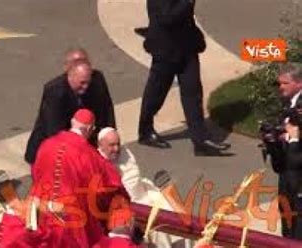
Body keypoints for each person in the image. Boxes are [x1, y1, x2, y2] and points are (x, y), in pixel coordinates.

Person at [136, 0, 230, 156]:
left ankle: (200, 140)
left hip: (187, 46)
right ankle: (145, 131)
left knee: (193, 92)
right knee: (156, 92)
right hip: (165, 48)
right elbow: (167, 17)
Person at [30, 109, 128, 247]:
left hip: (43, 209)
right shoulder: (90, 155)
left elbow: (35, 173)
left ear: (72, 123)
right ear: (90, 129)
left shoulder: (46, 144)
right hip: (71, 216)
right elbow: (108, 187)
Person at [97, 127, 194, 247]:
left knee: (174, 213)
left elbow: (134, 178)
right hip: (128, 206)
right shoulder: (97, 163)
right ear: (101, 145)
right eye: (111, 145)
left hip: (144, 193)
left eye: (118, 144)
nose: (116, 149)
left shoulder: (124, 153)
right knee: (159, 225)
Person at [25, 55, 115, 164]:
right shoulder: (54, 92)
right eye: (82, 83)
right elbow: (54, 131)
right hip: (52, 151)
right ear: (70, 77)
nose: (86, 86)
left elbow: (107, 109)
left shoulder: (98, 79)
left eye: (88, 82)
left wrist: (109, 136)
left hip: (84, 144)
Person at [263, 63, 302, 239]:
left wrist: (292, 138)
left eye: (285, 83)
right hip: (286, 173)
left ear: (299, 83)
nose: (281, 87)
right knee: (287, 218)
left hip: (299, 178)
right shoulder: (288, 102)